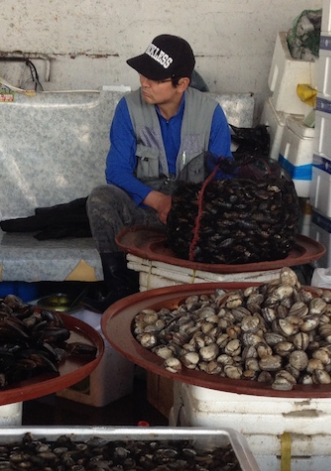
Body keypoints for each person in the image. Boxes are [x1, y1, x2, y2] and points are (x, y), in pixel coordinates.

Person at [85, 34, 232, 310]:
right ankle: (121, 290)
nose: (144, 82)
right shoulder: (128, 108)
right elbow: (115, 171)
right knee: (101, 198)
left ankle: (203, 296)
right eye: (143, 73)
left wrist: (186, 207)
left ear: (182, 84)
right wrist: (158, 200)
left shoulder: (211, 113)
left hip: (193, 216)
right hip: (146, 211)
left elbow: (221, 177)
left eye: (155, 77)